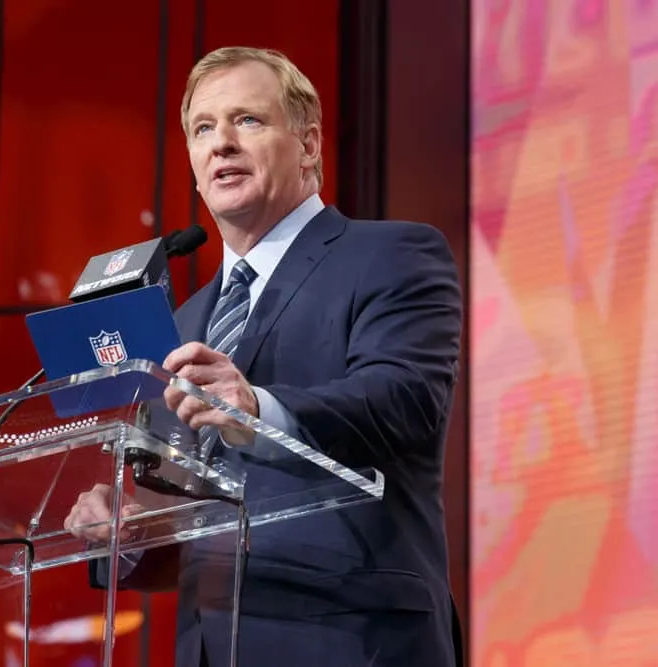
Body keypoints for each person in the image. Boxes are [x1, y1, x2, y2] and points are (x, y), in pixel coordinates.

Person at [64, 46, 463, 667]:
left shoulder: (392, 255)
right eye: (203, 128)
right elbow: (194, 515)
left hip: (353, 639)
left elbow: (404, 402)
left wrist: (257, 408)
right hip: (212, 646)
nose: (221, 142)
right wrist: (135, 530)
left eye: (247, 120)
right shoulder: (180, 324)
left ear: (308, 145)